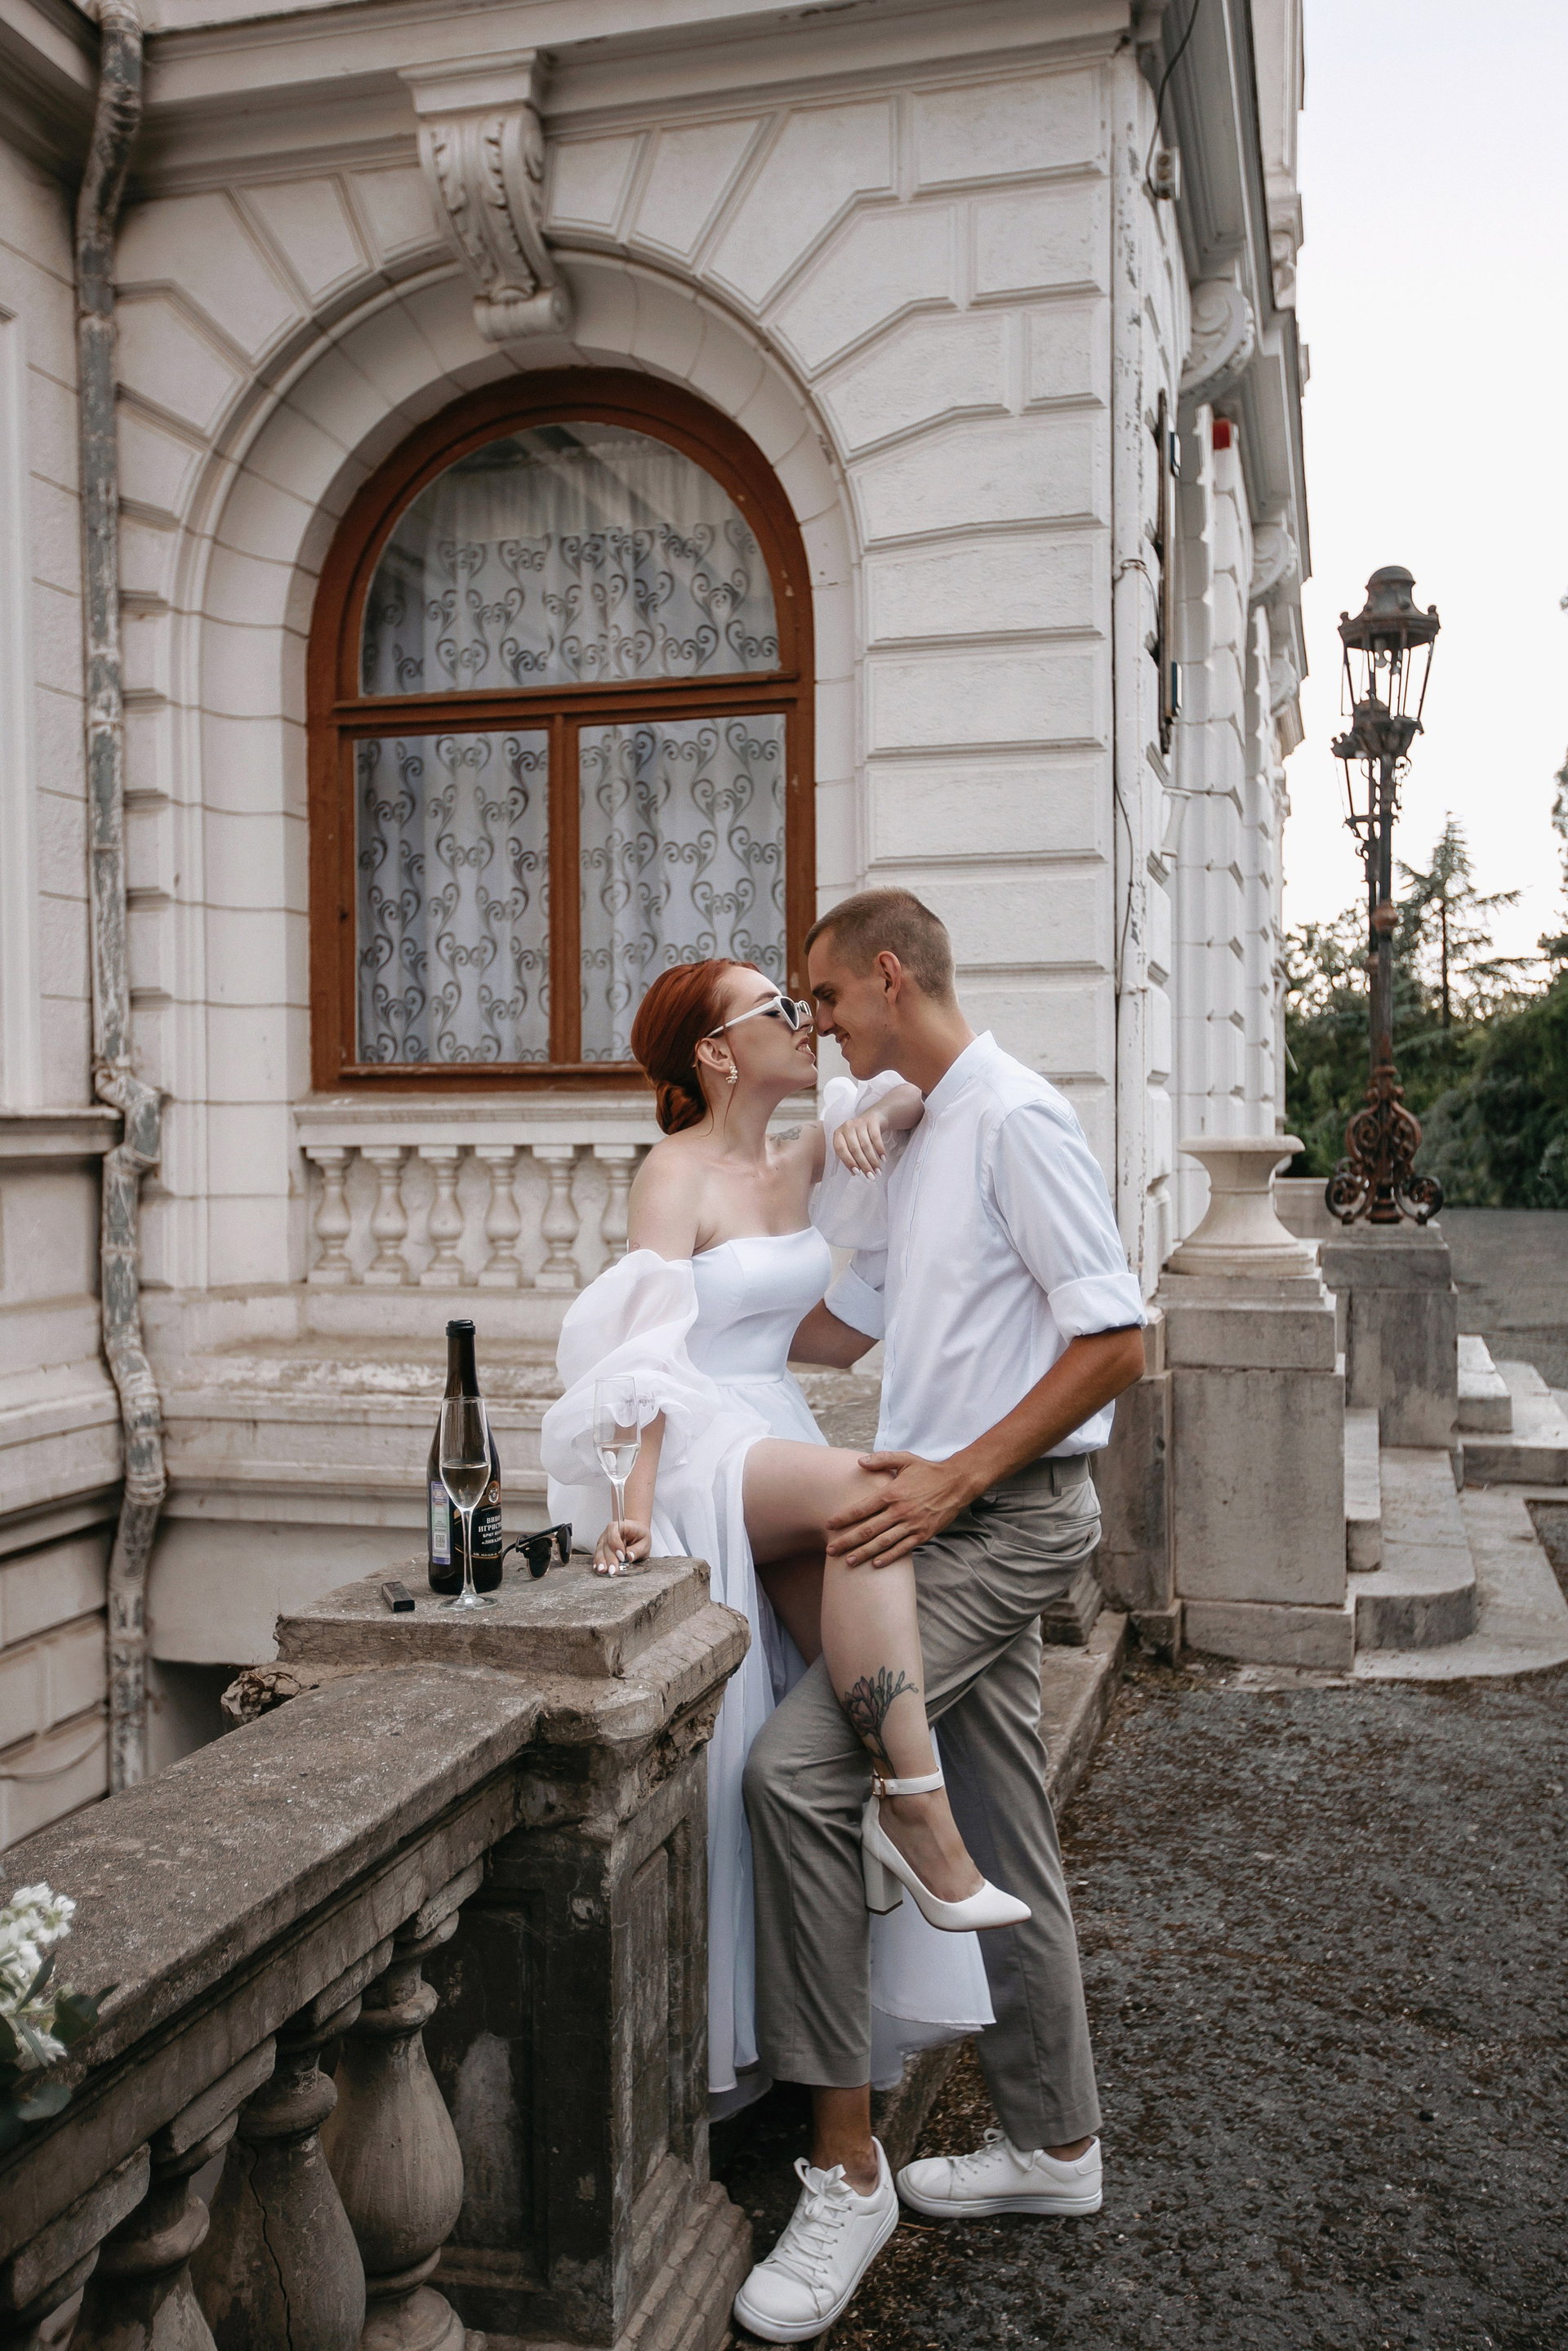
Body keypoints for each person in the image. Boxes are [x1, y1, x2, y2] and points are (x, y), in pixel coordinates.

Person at [729, 888, 1147, 2346]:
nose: (818, 1025)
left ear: (889, 976)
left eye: (827, 998)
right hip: (951, 1509)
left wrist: (959, 1479)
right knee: (1003, 1834)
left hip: (997, 1519)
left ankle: (846, 2177)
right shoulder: (918, 1124)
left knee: (796, 1776)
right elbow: (861, 1325)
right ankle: (1057, 2143)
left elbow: (1117, 1338)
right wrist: (702, 1328)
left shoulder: (1016, 1116)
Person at [538, 957, 1015, 2125]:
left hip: (776, 1429)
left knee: (834, 1692)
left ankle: (880, 1839)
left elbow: (925, 1087)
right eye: (779, 1011)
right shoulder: (673, 1172)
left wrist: (871, 1117)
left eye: (806, 1007)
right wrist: (634, 1499)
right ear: (715, 1052)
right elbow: (646, 1349)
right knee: (875, 1490)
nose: (806, 1025)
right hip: (701, 1445)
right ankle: (924, 1817)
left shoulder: (801, 1156)